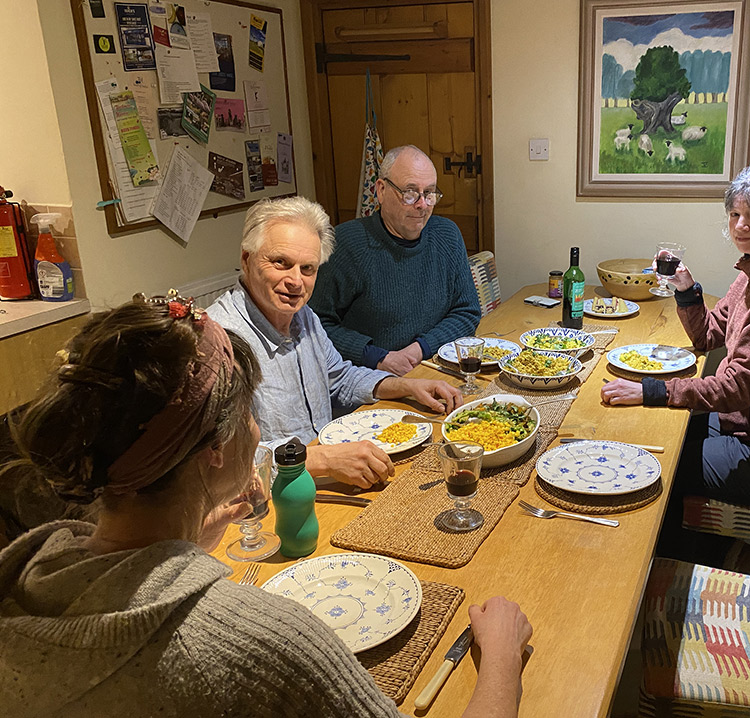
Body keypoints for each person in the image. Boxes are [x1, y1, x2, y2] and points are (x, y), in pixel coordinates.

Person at [0, 296, 533, 716]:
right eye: (249, 415)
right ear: (216, 452)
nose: (258, 429)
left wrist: (192, 529)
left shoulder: (28, 579)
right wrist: (503, 662)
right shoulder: (264, 642)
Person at [602, 165, 750, 519]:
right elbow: (709, 335)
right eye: (735, 214)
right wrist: (685, 289)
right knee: (658, 440)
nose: (741, 225)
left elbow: (738, 388)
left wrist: (652, 390)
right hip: (748, 425)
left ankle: (686, 559)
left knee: (653, 469)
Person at [208, 196, 462, 489]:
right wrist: (322, 459)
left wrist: (405, 385)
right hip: (267, 500)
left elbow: (339, 378)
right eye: (281, 263)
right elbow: (223, 459)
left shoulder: (305, 317)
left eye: (308, 269)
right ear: (246, 259)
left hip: (325, 481)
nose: (295, 281)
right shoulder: (218, 342)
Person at [309, 145, 481, 376]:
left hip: (433, 365)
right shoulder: (345, 243)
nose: (422, 204)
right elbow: (314, 323)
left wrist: (420, 349)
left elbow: (467, 311)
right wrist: (378, 357)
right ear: (381, 190)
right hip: (368, 377)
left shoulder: (447, 235)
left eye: (429, 193)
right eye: (410, 192)